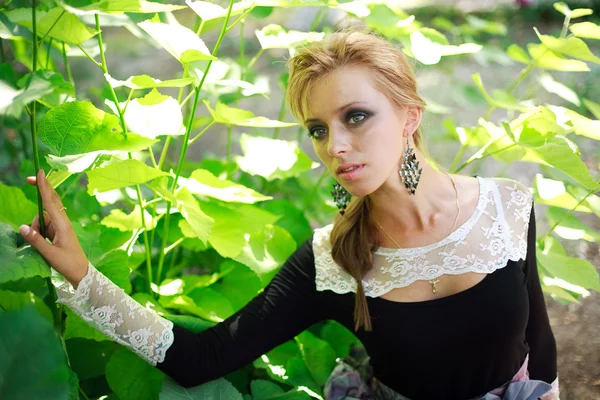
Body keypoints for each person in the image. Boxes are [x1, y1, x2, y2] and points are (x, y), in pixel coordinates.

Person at [19, 28, 559, 400]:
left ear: (409, 116)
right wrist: (83, 277)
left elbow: (540, 339)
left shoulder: (506, 204)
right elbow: (201, 358)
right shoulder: (331, 261)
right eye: (319, 129)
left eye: (356, 116)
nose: (335, 146)